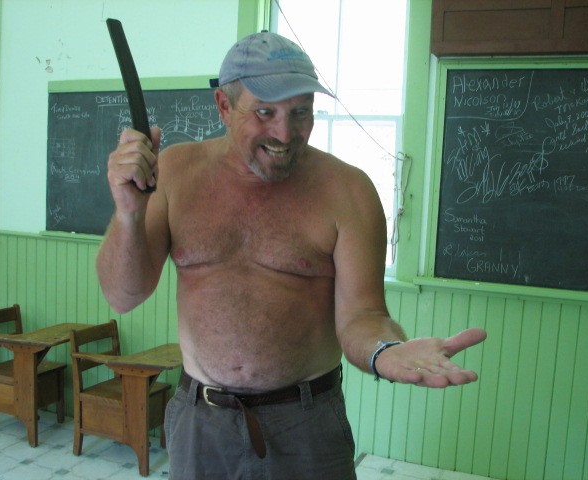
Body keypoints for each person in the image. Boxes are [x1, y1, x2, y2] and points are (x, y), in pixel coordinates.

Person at [96, 31, 487, 480]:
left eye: (301, 112)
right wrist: (128, 213)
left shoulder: (348, 191)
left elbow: (363, 315)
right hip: (201, 420)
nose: (285, 133)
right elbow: (123, 296)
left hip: (306, 425)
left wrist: (385, 351)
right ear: (224, 106)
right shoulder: (175, 173)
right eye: (265, 112)